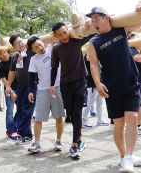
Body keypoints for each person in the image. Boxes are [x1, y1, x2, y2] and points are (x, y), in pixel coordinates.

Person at [87, 6, 141, 173]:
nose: (94, 21)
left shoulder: (121, 30)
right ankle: (124, 156)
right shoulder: (93, 42)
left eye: (97, 17)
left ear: (107, 18)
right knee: (119, 124)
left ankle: (129, 156)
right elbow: (93, 64)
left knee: (132, 119)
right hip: (111, 87)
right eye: (92, 19)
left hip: (131, 83)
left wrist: (140, 8)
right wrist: (98, 84)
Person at [50, 21, 94, 158]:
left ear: (68, 30)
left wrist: (88, 26)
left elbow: (92, 33)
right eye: (59, 35)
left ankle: (74, 145)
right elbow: (54, 68)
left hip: (80, 82)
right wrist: (52, 85)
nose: (63, 36)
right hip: (65, 84)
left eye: (64, 32)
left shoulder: (77, 40)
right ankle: (80, 139)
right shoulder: (56, 49)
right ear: (55, 36)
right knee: (70, 114)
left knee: (77, 113)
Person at [26, 37, 65, 153]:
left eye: (40, 44)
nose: (39, 48)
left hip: (57, 86)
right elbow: (31, 77)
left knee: (59, 117)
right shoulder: (33, 59)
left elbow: (55, 37)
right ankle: (36, 143)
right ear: (33, 50)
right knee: (38, 119)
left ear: (43, 42)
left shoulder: (52, 49)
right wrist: (30, 91)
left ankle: (59, 140)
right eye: (36, 47)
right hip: (42, 90)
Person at [5, 34, 36, 145]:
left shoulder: (32, 50)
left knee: (27, 110)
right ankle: (25, 134)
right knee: (21, 110)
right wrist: (8, 86)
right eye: (17, 43)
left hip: (32, 85)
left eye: (21, 41)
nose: (20, 44)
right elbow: (12, 72)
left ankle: (24, 135)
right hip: (21, 86)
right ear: (14, 47)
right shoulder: (14, 56)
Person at [127, 34, 141, 135]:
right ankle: (138, 126)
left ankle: (135, 126)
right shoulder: (131, 49)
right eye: (136, 39)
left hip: (138, 81)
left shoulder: (136, 51)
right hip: (135, 82)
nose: (139, 41)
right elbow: (138, 58)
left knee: (139, 104)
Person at [0, 46, 19, 141]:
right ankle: (9, 131)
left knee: (21, 108)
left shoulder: (14, 58)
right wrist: (11, 91)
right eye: (2, 53)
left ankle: (16, 127)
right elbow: (4, 80)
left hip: (20, 87)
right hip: (9, 90)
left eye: (5, 51)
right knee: (10, 110)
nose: (4, 54)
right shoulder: (0, 65)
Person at [82, 51, 108, 127]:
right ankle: (83, 120)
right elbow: (89, 58)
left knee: (99, 103)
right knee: (90, 103)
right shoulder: (88, 54)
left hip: (99, 84)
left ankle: (100, 120)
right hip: (91, 84)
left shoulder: (95, 54)